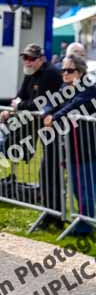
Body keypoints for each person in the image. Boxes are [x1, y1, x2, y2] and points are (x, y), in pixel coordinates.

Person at [44, 55, 96, 235]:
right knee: (76, 186)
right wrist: (47, 113)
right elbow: (53, 101)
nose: (65, 74)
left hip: (88, 147)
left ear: (80, 72)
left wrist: (55, 117)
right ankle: (82, 220)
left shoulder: (89, 87)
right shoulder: (65, 87)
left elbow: (75, 106)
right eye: (63, 70)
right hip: (71, 147)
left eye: (69, 70)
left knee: (86, 187)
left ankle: (85, 226)